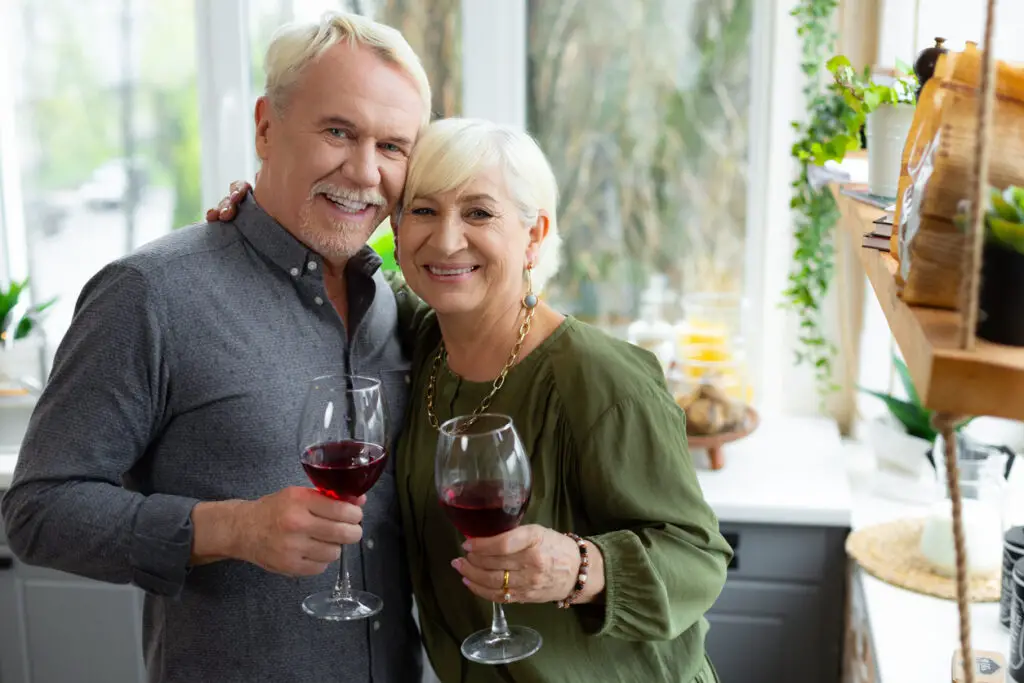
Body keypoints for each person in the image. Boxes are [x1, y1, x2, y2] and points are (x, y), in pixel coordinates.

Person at [213, 117, 732, 682]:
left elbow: (699, 559)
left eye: (479, 213)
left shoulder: (602, 378)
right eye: (424, 210)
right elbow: (337, 268)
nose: (445, 239)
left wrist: (582, 567)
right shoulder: (423, 340)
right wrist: (263, 218)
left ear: (533, 235)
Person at [1, 12, 431, 683]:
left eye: (393, 147)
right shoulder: (149, 294)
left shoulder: (400, 309)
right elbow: (37, 510)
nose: (365, 171)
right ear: (266, 126)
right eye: (338, 131)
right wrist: (232, 528)